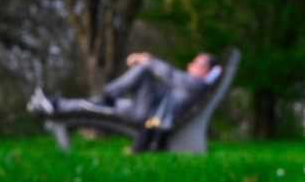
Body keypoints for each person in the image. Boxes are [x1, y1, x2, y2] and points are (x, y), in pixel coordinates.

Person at [27, 51, 221, 132]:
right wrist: (150, 61)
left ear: (205, 70)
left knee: (144, 69)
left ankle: (109, 95)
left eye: (195, 63)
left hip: (148, 115)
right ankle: (54, 106)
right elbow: (166, 75)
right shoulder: (191, 83)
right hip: (146, 108)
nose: (190, 64)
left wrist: (147, 60)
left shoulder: (197, 84)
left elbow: (168, 73)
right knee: (96, 106)